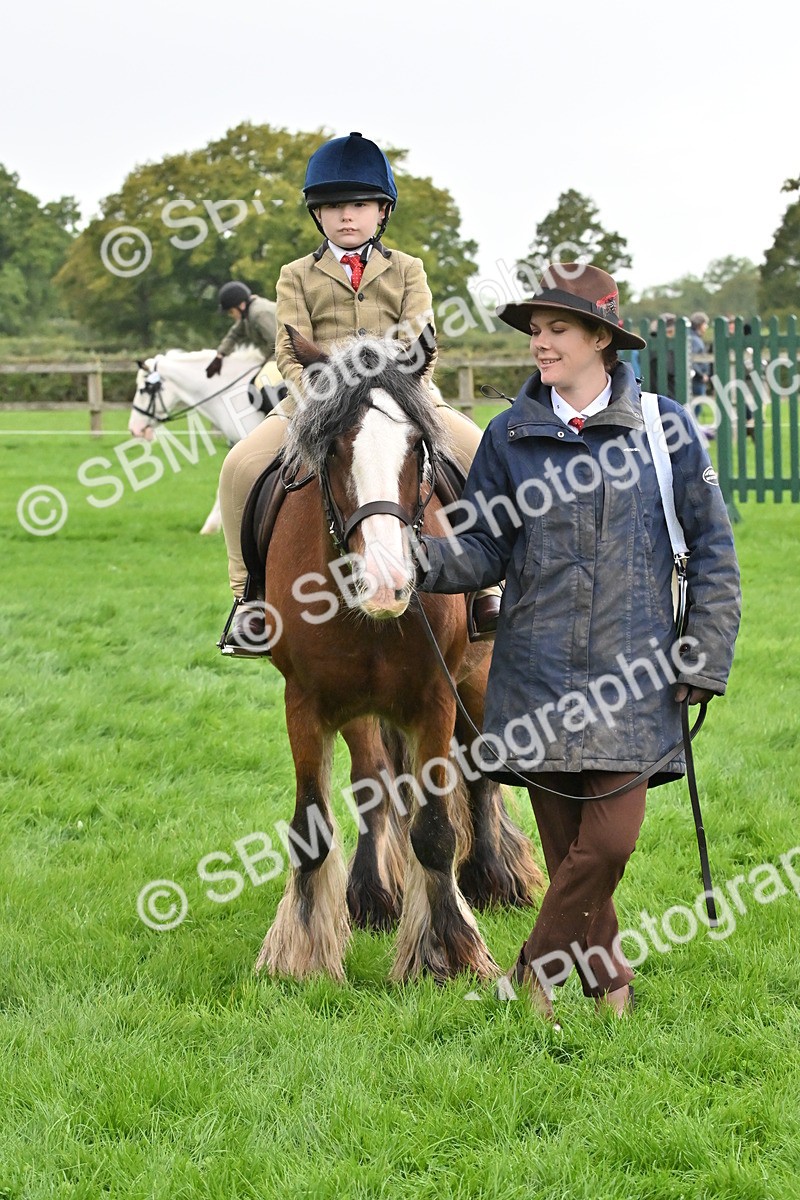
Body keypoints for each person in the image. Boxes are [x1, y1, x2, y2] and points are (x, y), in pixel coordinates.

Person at [415, 263, 741, 1020]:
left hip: (638, 677)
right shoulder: (508, 435)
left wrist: (706, 653)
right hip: (536, 679)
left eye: (557, 329)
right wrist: (414, 559)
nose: (541, 344)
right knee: (570, 858)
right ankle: (613, 990)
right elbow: (482, 551)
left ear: (601, 338)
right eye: (535, 331)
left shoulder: (667, 431)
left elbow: (714, 554)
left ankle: (531, 977)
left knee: (609, 846)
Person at [217, 131, 499, 654]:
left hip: (404, 399)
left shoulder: (408, 269)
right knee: (238, 465)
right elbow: (287, 349)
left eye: (360, 205)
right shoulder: (294, 275)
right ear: (316, 215)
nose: (348, 216)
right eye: (333, 207)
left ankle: (486, 587)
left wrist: (397, 392)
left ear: (381, 210)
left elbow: (423, 346)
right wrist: (327, 402)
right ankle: (249, 601)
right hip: (316, 403)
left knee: (478, 447)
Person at [206, 282, 277, 377]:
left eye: (231, 311)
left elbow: (280, 346)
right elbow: (234, 335)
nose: (231, 315)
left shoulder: (260, 314)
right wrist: (220, 355)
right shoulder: (247, 315)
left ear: (241, 305)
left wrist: (266, 367)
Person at [689, 310, 711, 399]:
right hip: (697, 380)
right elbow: (692, 359)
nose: (706, 326)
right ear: (699, 325)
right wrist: (702, 374)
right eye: (705, 324)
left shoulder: (695, 338)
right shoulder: (694, 340)